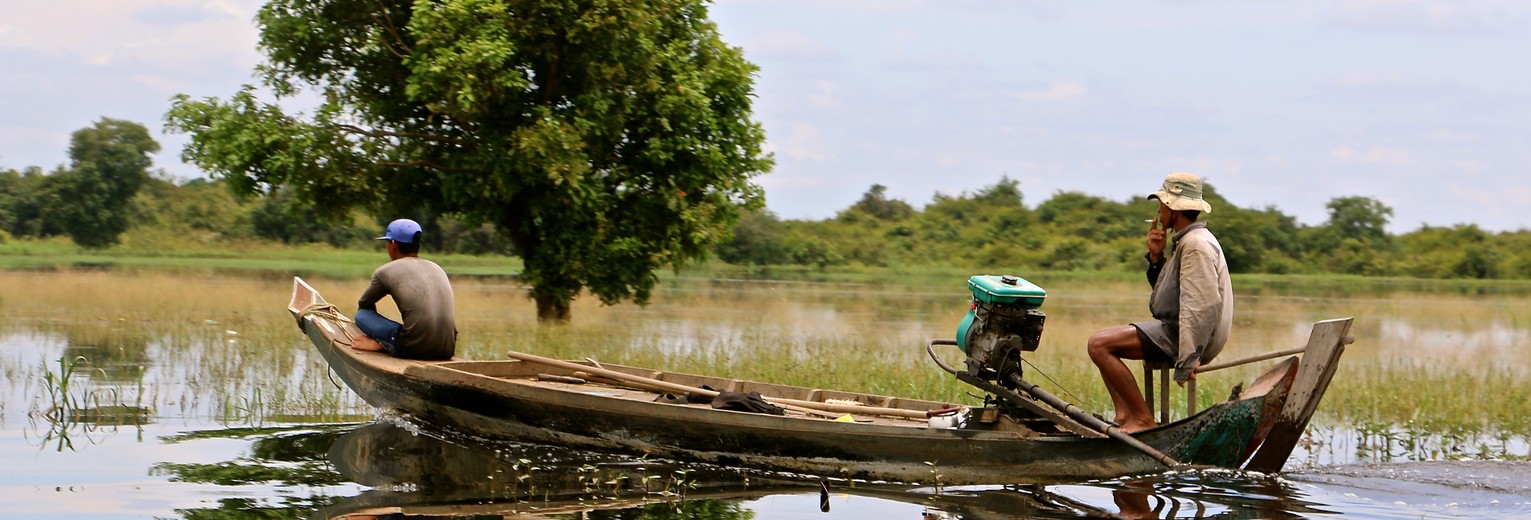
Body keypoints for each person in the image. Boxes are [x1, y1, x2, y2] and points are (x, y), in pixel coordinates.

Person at [1086, 172, 1233, 433]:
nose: (1159, 210)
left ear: (1173, 209)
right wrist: (1156, 258)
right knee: (1103, 341)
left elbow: (1200, 307)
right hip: (1182, 332)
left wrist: (1189, 357)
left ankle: (1141, 418)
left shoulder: (1195, 245)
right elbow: (1171, 297)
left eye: (1162, 204)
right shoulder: (1187, 240)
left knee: (1099, 344)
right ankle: (1124, 417)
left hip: (1189, 338)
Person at [351, 218, 458, 360]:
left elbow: (364, 305)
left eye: (387, 242)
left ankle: (382, 343)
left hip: (410, 348)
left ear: (393, 244)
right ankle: (388, 341)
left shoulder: (385, 271)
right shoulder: (437, 268)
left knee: (362, 315)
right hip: (447, 349)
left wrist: (377, 336)